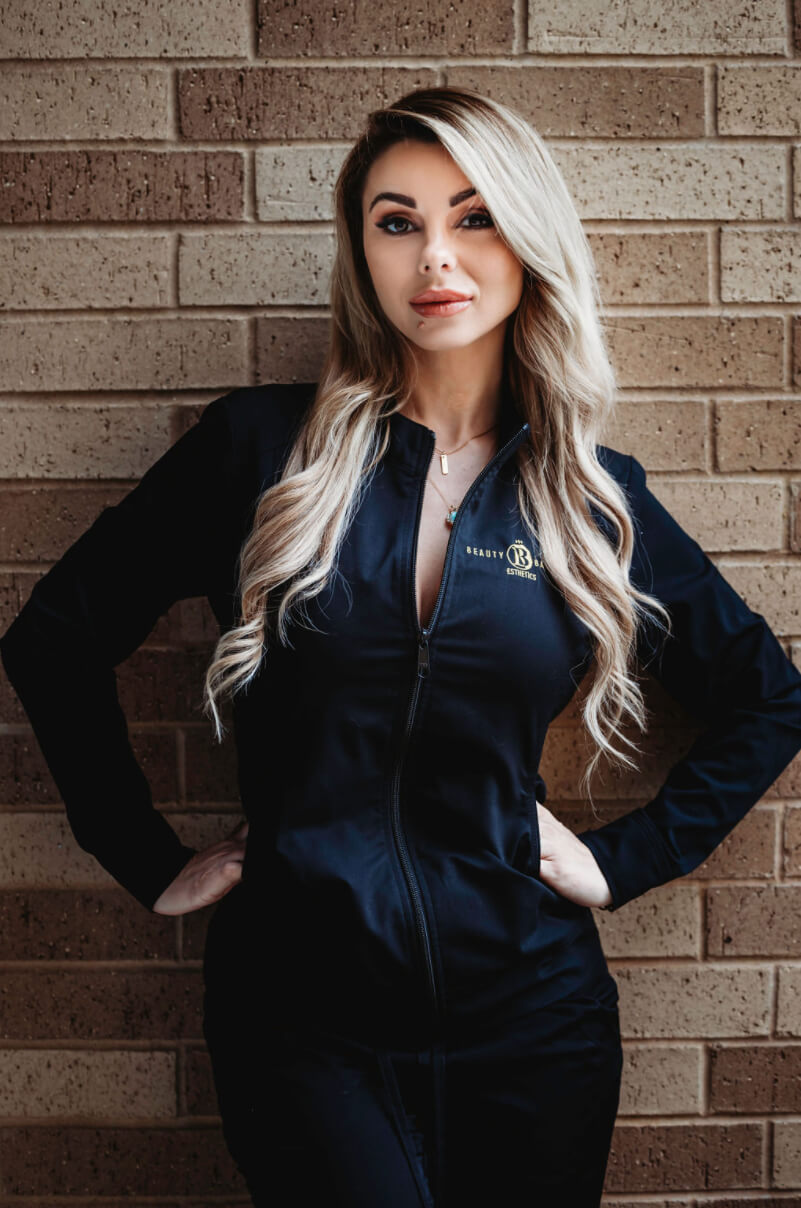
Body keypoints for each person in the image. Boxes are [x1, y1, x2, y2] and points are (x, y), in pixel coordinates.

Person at [2, 85, 801, 1208]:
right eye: (398, 220)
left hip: (535, 1022)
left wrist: (623, 858)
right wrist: (143, 851)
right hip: (301, 1020)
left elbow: (768, 698)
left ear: (528, 240)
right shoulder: (258, 452)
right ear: (361, 248)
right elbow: (55, 640)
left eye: (474, 216)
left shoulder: (589, 500)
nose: (437, 256)